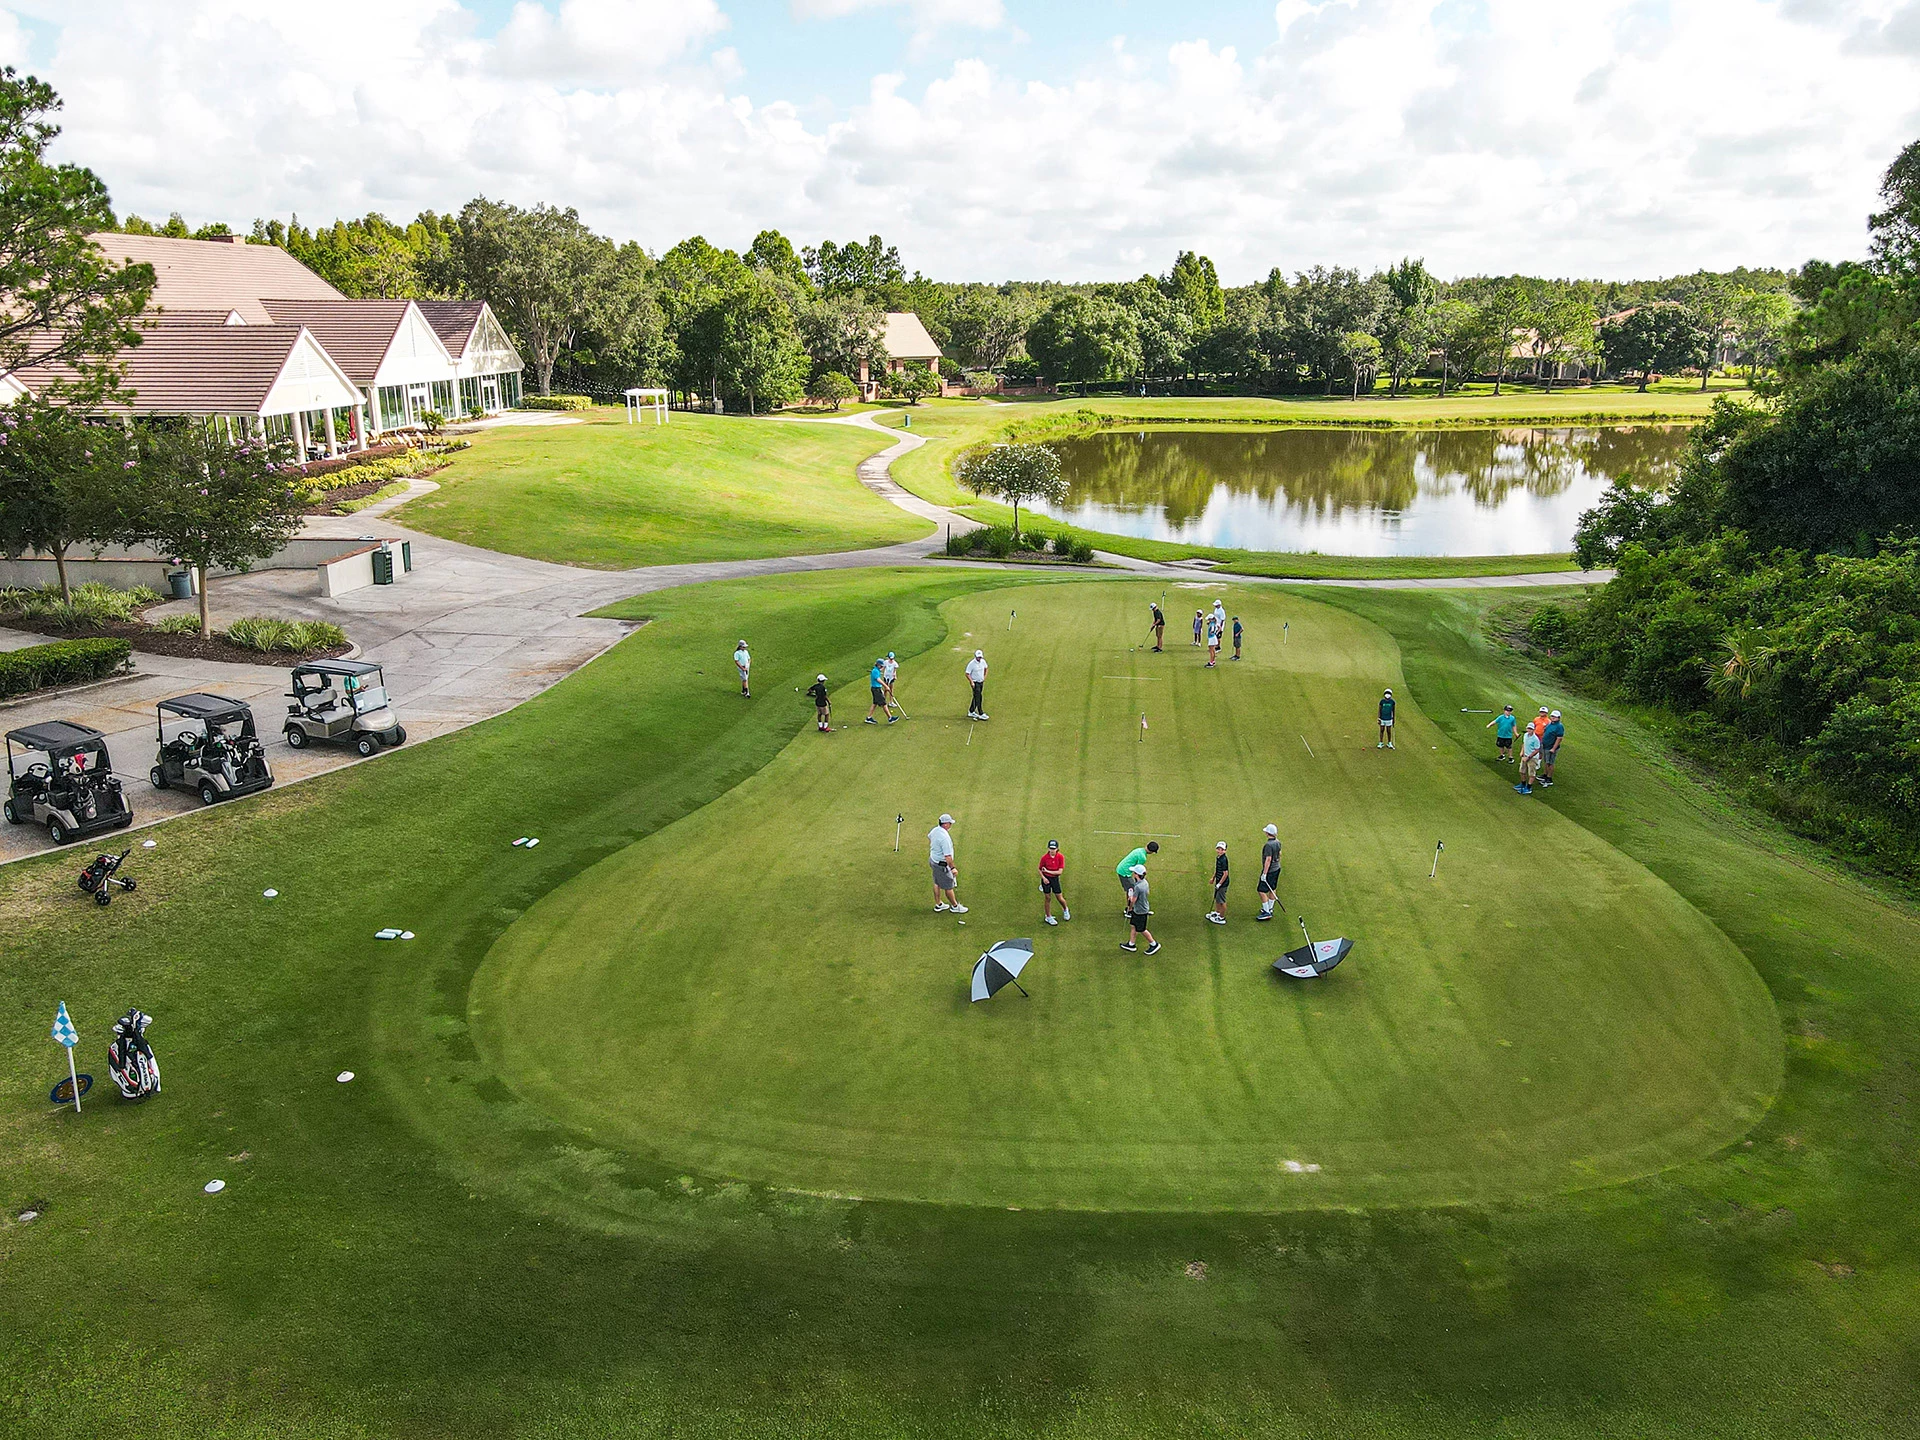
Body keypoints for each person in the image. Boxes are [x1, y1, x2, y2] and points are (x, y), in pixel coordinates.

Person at [929, 814, 966, 913]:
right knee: (949, 886)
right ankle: (955, 906)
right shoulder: (944, 838)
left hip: (933, 860)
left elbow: (929, 837)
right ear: (945, 824)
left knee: (937, 883)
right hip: (941, 865)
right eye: (949, 823)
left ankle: (939, 904)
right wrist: (953, 868)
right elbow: (948, 856)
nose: (950, 825)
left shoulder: (935, 830)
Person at [1120, 865, 1159, 954]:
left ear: (1136, 874)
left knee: (1142, 929)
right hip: (1140, 909)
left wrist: (1130, 896)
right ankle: (1131, 944)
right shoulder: (1145, 883)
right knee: (1133, 925)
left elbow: (1133, 900)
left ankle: (1154, 944)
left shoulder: (1138, 887)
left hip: (1140, 911)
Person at [1115, 841, 1160, 909]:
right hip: (1124, 872)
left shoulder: (1139, 850)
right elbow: (1138, 871)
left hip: (1123, 869)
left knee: (1132, 889)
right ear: (1151, 852)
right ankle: (1129, 909)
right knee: (1131, 890)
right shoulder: (1142, 857)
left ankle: (1131, 907)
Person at [1037, 839, 1070, 925]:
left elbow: (1059, 872)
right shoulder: (1044, 858)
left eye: (1054, 849)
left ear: (1057, 849)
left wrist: (1047, 871)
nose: (1052, 850)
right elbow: (1040, 869)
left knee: (1059, 897)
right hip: (1046, 879)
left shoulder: (1060, 857)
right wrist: (1044, 878)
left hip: (1054, 879)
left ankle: (1065, 909)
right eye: (1051, 848)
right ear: (1048, 848)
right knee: (1047, 898)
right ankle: (1048, 916)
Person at [1256, 823, 1282, 920]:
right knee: (1272, 888)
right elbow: (1279, 854)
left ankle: (1267, 911)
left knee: (1261, 890)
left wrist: (1264, 873)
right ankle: (1270, 908)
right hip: (1277, 868)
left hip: (1270, 870)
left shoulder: (1268, 845)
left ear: (1268, 833)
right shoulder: (1278, 842)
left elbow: (1268, 859)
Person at [1516, 723, 1542, 794]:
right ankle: (1523, 784)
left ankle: (1529, 787)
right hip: (1525, 756)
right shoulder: (1525, 735)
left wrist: (1528, 757)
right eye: (1528, 728)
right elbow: (1524, 744)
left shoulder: (1535, 739)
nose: (1529, 730)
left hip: (1532, 758)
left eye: (1531, 729)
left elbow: (1536, 750)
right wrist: (1522, 752)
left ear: (1533, 730)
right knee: (1522, 771)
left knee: (1531, 773)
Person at [1540, 709, 1565, 785]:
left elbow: (1559, 738)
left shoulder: (1559, 726)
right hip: (1545, 746)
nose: (1553, 718)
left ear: (1558, 718)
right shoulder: (1550, 724)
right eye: (1552, 716)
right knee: (1546, 761)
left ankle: (1549, 778)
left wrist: (1553, 748)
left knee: (1550, 763)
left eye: (1555, 717)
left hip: (1551, 747)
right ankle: (1545, 775)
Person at [1208, 841, 1230, 924]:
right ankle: (1217, 912)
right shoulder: (1218, 858)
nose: (1219, 851)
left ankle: (1221, 917)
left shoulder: (1224, 859)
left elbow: (1225, 874)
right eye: (1218, 849)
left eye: (1222, 849)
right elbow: (1217, 870)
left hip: (1223, 883)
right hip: (1218, 881)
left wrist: (1219, 884)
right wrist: (1213, 878)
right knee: (1217, 898)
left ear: (1225, 850)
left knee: (1221, 900)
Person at [866, 658, 894, 724]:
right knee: (883, 703)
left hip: (876, 688)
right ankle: (890, 718)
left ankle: (869, 718)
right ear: (878, 665)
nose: (882, 667)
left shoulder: (876, 670)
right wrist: (886, 686)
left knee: (875, 703)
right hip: (876, 689)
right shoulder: (875, 671)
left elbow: (879, 674)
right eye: (881, 666)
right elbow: (878, 680)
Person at [965, 649, 989, 720]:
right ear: (975, 656)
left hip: (981, 682)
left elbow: (986, 668)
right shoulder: (972, 664)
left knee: (976, 696)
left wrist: (984, 677)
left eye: (980, 657)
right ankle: (980, 713)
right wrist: (971, 682)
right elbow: (967, 673)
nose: (979, 658)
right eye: (978, 657)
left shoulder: (983, 662)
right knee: (979, 697)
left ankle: (971, 711)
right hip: (975, 683)